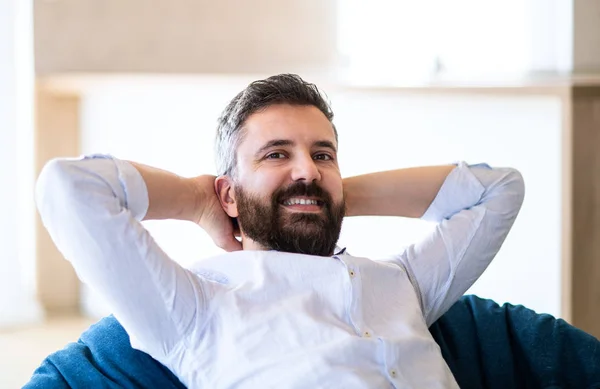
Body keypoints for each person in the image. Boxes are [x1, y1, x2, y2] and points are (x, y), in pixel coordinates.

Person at [35, 74, 525, 388]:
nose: (306, 169)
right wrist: (196, 200)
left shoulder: (403, 282)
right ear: (229, 194)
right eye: (276, 154)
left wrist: (327, 194)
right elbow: (68, 187)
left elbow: (500, 189)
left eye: (322, 153)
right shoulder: (195, 307)